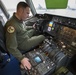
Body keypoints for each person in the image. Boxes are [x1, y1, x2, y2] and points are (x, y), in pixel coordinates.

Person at [4, 2, 45, 70]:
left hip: (24, 36)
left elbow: (24, 28)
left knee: (35, 30)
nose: (28, 16)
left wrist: (32, 27)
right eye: (27, 13)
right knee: (42, 37)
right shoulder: (11, 26)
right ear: (20, 11)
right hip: (23, 43)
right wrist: (22, 58)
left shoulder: (19, 20)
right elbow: (11, 47)